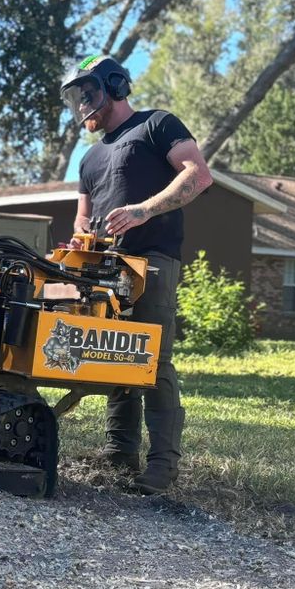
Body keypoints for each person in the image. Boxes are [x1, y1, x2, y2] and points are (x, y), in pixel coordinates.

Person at [59, 54, 213, 494]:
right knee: (115, 352)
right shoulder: (89, 159)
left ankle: (162, 468)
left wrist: (144, 210)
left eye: (88, 92)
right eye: (75, 97)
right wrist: (79, 239)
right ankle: (119, 453)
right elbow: (82, 217)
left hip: (153, 263)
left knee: (152, 359)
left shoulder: (156, 124)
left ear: (115, 85)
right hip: (105, 268)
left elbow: (198, 176)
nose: (82, 104)